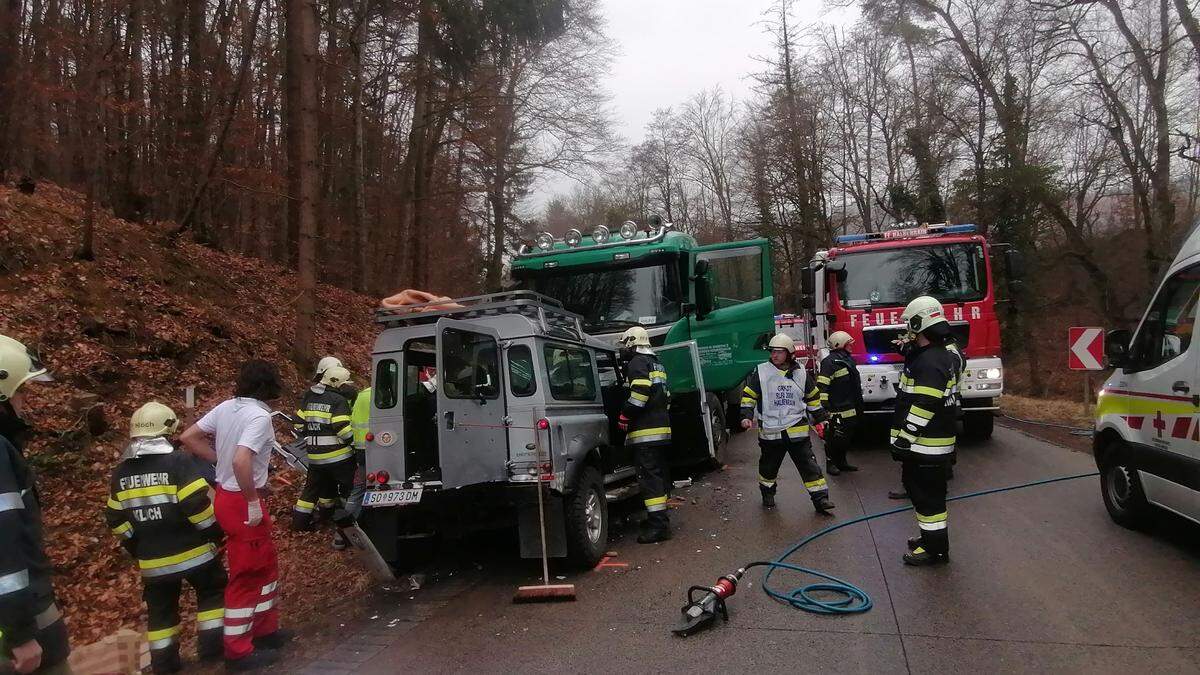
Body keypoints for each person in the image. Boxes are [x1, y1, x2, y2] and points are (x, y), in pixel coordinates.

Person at [179, 360, 289, 670]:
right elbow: (242, 461)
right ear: (270, 387)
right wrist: (252, 499)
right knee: (247, 574)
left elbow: (189, 437)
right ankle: (238, 651)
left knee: (265, 567)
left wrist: (220, 462)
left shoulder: (227, 407)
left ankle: (266, 632)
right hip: (242, 501)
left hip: (230, 496)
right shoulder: (260, 417)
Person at [105, 402, 225, 674]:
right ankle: (212, 649)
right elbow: (198, 509)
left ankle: (165, 664)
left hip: (153, 563)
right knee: (211, 593)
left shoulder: (121, 472)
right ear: (168, 431)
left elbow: (115, 518)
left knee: (160, 615)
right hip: (195, 553)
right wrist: (215, 534)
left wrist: (136, 545)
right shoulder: (179, 462)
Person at [0, 335, 70, 674]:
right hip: (22, 621)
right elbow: (6, 541)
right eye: (21, 391)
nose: (25, 400)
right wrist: (20, 632)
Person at [891, 296, 961, 566]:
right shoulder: (934, 356)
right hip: (928, 444)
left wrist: (905, 438)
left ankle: (935, 550)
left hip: (925, 444)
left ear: (920, 323)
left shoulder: (931, 361)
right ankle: (930, 539)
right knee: (921, 493)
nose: (907, 329)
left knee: (928, 499)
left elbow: (925, 403)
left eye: (910, 324)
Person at [740, 333, 834, 514]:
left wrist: (822, 418)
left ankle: (821, 500)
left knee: (809, 466)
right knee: (768, 468)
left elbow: (813, 398)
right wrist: (746, 415)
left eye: (779, 352)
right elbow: (749, 396)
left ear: (790, 354)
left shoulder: (801, 374)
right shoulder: (761, 372)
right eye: (772, 352)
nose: (774, 355)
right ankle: (767, 493)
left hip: (796, 431)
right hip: (771, 432)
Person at [616, 326, 673, 544]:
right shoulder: (655, 361)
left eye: (625, 345)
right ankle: (658, 521)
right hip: (661, 431)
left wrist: (624, 416)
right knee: (658, 476)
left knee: (650, 479)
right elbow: (666, 396)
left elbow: (640, 395)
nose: (624, 350)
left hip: (646, 433)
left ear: (632, 343)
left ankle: (658, 527)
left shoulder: (637, 363)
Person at [290, 366, 356, 533]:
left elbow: (298, 424)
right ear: (338, 383)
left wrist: (313, 431)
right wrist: (354, 442)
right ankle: (347, 523)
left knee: (314, 489)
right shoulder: (338, 400)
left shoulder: (310, 398)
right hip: (339, 456)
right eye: (345, 384)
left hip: (315, 457)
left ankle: (300, 525)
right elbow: (342, 428)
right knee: (349, 488)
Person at [817, 331, 862, 475]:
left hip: (850, 406)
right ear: (840, 344)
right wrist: (824, 410)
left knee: (846, 437)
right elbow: (822, 386)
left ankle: (842, 462)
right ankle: (831, 464)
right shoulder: (829, 362)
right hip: (836, 408)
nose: (851, 347)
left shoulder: (848, 359)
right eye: (849, 344)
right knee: (833, 438)